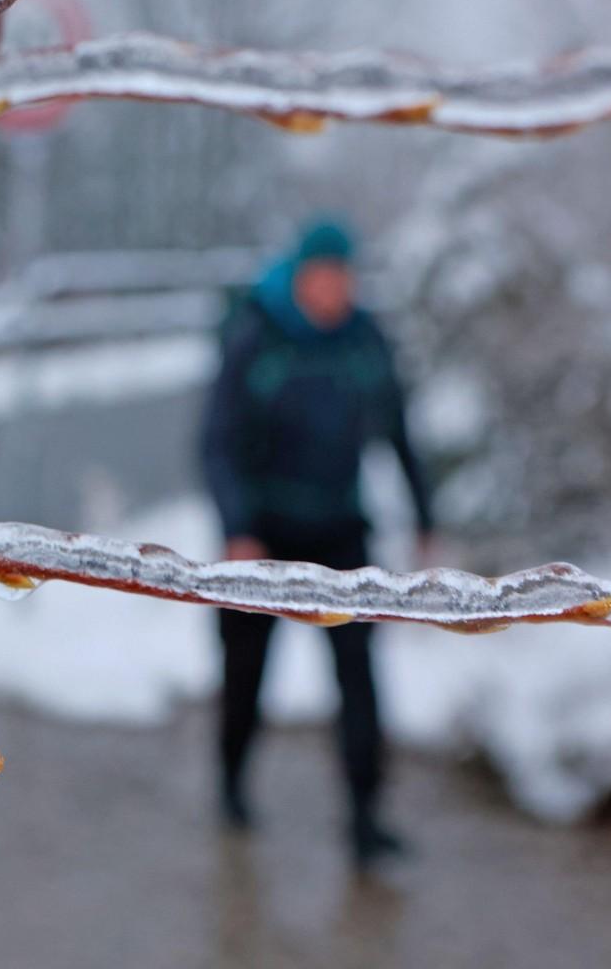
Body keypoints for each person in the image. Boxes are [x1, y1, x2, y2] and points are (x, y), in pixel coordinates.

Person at [198, 216, 435, 868]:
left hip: (339, 529)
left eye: (343, 277)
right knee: (245, 674)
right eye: (321, 276)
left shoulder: (364, 341)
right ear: (301, 276)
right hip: (263, 533)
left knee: (360, 680)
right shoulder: (258, 336)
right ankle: (232, 785)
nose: (333, 289)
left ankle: (365, 817)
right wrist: (237, 527)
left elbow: (400, 431)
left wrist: (425, 516)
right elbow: (218, 442)